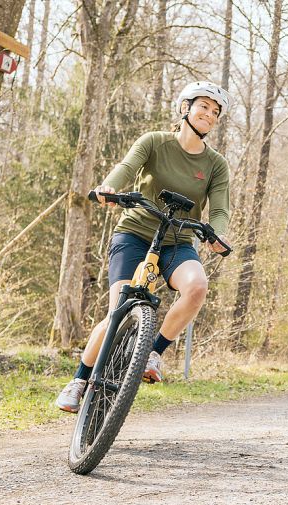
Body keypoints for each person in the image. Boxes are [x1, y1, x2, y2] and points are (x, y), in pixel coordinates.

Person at [55, 81, 232, 412]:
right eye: (203, 106)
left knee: (197, 287)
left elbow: (219, 208)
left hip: (177, 240)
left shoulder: (215, 164)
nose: (209, 114)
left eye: (215, 112)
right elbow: (127, 168)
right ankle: (80, 379)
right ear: (185, 108)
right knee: (118, 312)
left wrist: (218, 234)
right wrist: (110, 187)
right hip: (135, 233)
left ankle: (153, 351)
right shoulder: (154, 142)